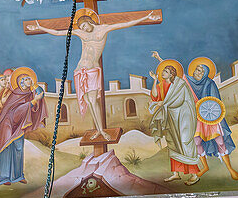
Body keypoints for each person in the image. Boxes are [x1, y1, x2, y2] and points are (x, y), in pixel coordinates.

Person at [27, 8, 159, 139]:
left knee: (93, 100)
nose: (84, 28)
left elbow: (124, 23)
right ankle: (98, 130)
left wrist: (146, 17)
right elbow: (58, 33)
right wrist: (40, 27)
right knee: (89, 101)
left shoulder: (103, 29)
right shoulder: (81, 33)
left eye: (85, 25)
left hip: (92, 70)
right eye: (82, 27)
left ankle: (101, 130)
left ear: (90, 21)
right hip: (80, 70)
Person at [184, 56, 238, 180]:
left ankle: (230, 169)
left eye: (201, 71)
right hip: (196, 118)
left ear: (205, 74)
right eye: (197, 69)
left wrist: (211, 114)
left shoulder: (210, 83)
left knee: (220, 141)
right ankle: (205, 167)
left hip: (209, 117)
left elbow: (215, 102)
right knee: (196, 141)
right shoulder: (187, 82)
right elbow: (176, 74)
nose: (197, 72)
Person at [147, 58, 200, 185]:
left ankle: (194, 175)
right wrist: (155, 81)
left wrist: (164, 104)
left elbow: (181, 100)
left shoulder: (180, 84)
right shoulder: (162, 85)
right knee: (172, 143)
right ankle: (176, 174)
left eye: (165, 71)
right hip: (170, 118)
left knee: (184, 143)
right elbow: (155, 96)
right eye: (162, 71)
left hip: (182, 117)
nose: (162, 73)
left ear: (171, 74)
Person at [0, 67, 47, 186]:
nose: (30, 81)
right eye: (28, 79)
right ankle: (3, 177)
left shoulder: (28, 94)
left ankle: (17, 176)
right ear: (21, 82)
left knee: (18, 148)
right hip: (7, 125)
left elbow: (41, 95)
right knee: (6, 149)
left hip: (18, 126)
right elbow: (15, 113)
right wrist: (32, 102)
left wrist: (35, 85)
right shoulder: (16, 94)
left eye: (30, 79)